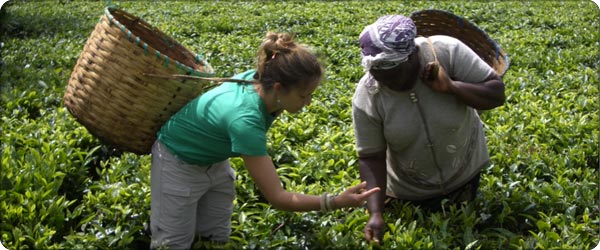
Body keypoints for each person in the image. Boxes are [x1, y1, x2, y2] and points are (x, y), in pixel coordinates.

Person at [150, 31, 380, 249]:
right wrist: (335, 201)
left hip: (216, 160)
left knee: (215, 237)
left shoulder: (264, 81)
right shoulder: (244, 120)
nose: (308, 102)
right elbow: (278, 198)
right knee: (174, 243)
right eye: (304, 95)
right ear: (279, 88)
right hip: (177, 162)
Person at [351, 15, 506, 244]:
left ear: (413, 55)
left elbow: (496, 94)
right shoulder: (367, 96)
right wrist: (375, 212)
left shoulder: (446, 51)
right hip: (408, 192)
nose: (388, 83)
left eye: (394, 76)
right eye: (379, 76)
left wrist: (452, 87)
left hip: (465, 174)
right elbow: (371, 157)